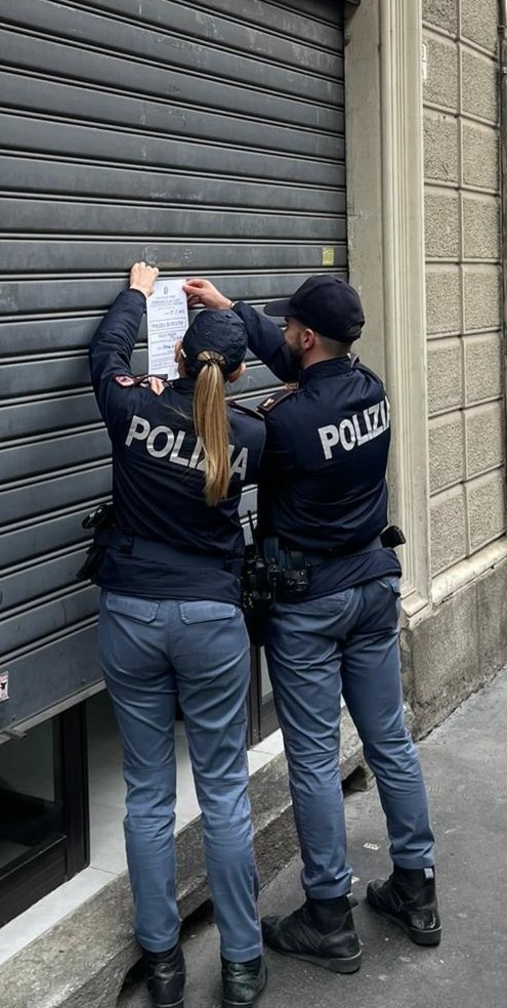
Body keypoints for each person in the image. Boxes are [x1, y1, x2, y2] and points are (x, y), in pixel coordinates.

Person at [182, 273, 441, 974]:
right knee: (390, 739)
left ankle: (329, 912)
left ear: (302, 337)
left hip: (308, 604)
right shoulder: (374, 390)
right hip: (372, 586)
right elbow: (300, 363)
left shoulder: (282, 427)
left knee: (317, 758)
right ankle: (417, 890)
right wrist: (231, 310)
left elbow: (221, 451)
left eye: (289, 328)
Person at [89, 262, 268, 1008]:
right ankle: (241, 964)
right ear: (234, 372)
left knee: (146, 794)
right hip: (213, 622)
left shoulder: (134, 407)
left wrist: (137, 289)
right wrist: (236, 311)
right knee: (224, 792)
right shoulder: (256, 434)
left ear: (176, 358)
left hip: (131, 615)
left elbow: (102, 354)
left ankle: (162, 966)